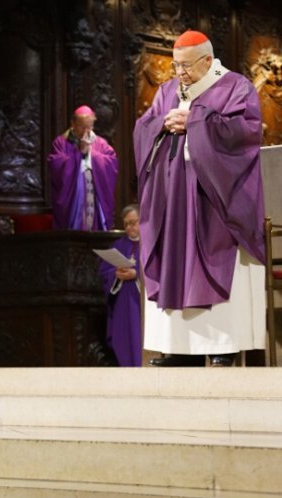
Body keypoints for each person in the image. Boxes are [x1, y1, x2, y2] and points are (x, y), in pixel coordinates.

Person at [134, 30, 267, 367]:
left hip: (216, 200)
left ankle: (223, 346)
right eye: (176, 66)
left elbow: (246, 133)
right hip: (173, 198)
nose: (180, 73)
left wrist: (195, 121)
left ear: (208, 60)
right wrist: (162, 125)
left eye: (187, 66)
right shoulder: (167, 91)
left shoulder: (237, 88)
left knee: (217, 263)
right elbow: (143, 128)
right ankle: (179, 350)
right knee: (173, 263)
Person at [47, 105, 119, 231]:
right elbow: (55, 164)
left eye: (89, 126)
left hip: (95, 197)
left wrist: (91, 155)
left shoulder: (100, 143)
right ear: (73, 123)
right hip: (73, 198)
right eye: (82, 126)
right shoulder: (61, 142)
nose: (86, 131)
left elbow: (112, 162)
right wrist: (79, 153)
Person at [99, 205, 142, 367]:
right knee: (123, 337)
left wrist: (137, 274)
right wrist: (115, 274)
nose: (129, 227)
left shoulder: (151, 244)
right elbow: (104, 273)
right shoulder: (118, 245)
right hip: (123, 303)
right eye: (126, 224)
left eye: (133, 222)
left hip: (141, 303)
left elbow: (159, 269)